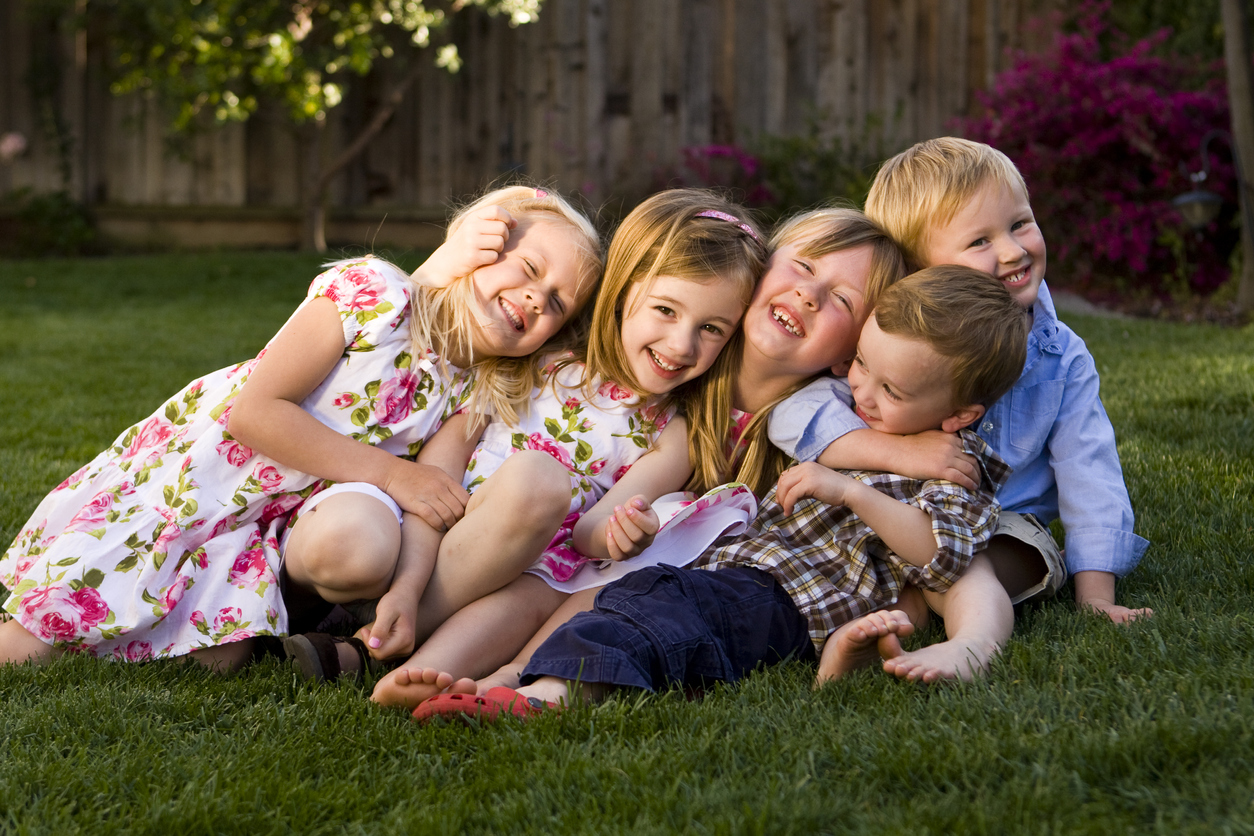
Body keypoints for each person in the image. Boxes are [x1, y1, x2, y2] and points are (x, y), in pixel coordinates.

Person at [0, 184, 602, 670]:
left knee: (220, 657)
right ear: (481, 244)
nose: (534, 298)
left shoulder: (475, 392)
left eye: (556, 304)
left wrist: (406, 592)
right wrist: (392, 474)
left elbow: (432, 500)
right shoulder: (376, 296)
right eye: (528, 268)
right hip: (200, 486)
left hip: (267, 530)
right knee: (40, 639)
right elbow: (254, 413)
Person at [409, 265, 1028, 721]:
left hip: (788, 597)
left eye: (892, 390)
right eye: (862, 363)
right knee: (630, 596)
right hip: (733, 574)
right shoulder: (840, 413)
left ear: (957, 416)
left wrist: (851, 492)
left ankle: (545, 698)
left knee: (654, 613)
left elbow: (943, 557)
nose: (861, 390)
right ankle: (499, 679)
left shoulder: (953, 468)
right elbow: (795, 419)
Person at [284, 189, 768, 684]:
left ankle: (385, 661)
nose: (681, 344)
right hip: (435, 546)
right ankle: (382, 622)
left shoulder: (672, 433)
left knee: (524, 596)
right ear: (623, 293)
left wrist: (621, 534)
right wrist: (406, 587)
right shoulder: (538, 361)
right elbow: (437, 483)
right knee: (533, 483)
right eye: (666, 310)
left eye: (711, 328)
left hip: (531, 570)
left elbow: (589, 532)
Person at [863, 137, 1151, 623]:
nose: (1014, 250)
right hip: (901, 512)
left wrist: (1097, 595)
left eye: (1020, 224)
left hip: (1003, 527)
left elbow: (1089, 471)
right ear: (920, 269)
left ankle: (927, 607)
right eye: (980, 241)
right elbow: (828, 410)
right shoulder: (887, 335)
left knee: (1014, 553)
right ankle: (908, 602)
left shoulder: (1062, 357)